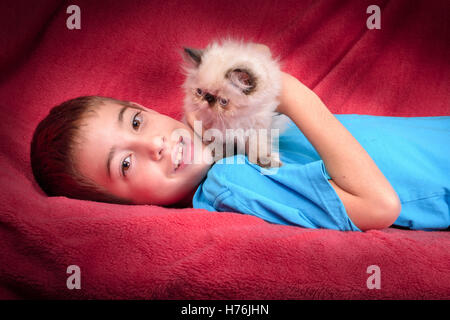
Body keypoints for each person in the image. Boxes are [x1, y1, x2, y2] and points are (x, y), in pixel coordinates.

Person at [30, 72, 450, 232]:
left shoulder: (224, 147)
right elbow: (378, 205)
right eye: (124, 164)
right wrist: (291, 93)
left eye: (136, 122)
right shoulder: (227, 185)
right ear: (121, 207)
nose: (154, 144)